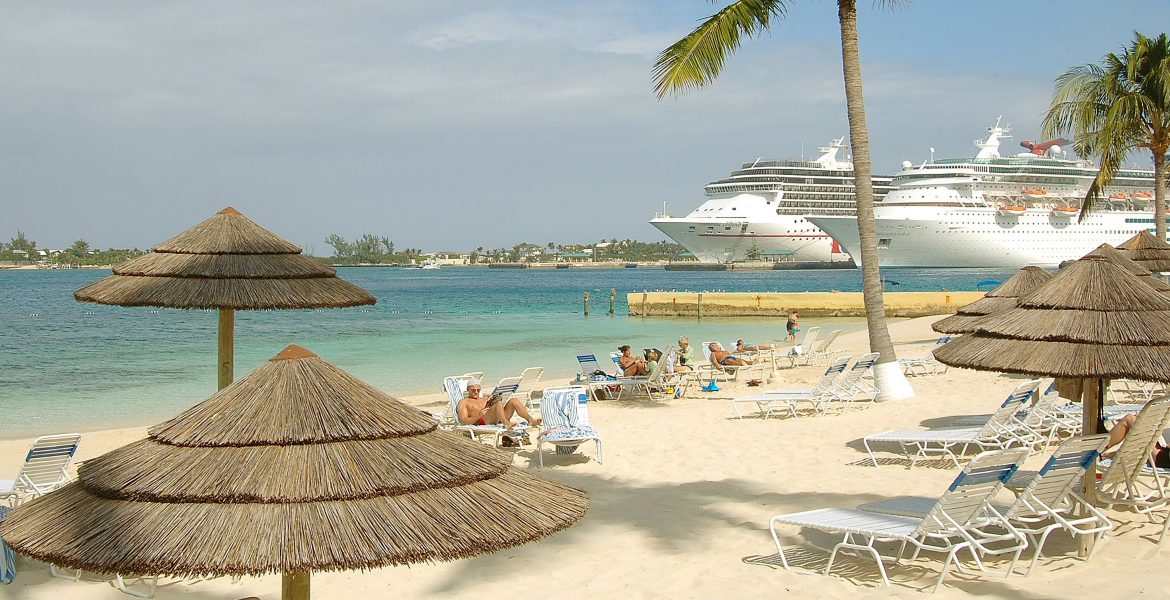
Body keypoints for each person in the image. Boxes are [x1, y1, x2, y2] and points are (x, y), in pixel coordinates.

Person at [457, 382, 541, 428]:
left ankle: (530, 420)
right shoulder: (463, 402)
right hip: (483, 421)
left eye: (478, 390)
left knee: (513, 401)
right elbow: (463, 421)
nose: (476, 392)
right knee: (498, 401)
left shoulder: (485, 398)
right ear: (467, 389)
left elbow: (498, 407)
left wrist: (491, 401)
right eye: (473, 390)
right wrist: (478, 416)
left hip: (498, 418)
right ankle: (506, 423)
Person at [1104, 413, 1170, 467]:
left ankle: (1098, 451)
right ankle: (1111, 453)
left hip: (1160, 458)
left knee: (1129, 419)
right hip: (1163, 453)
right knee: (1138, 419)